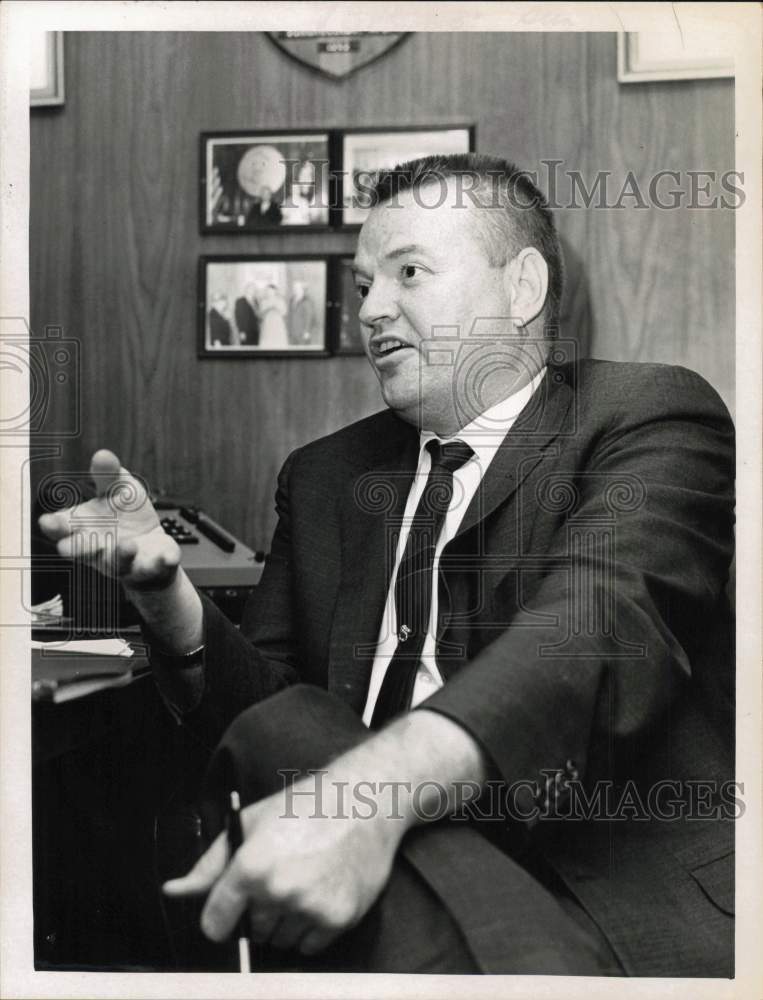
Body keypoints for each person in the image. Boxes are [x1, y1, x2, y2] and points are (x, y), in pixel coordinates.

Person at [38, 154, 735, 977]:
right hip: (365, 886)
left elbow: (592, 636)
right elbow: (266, 721)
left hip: (583, 897)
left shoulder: (643, 415)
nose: (370, 309)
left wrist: (367, 801)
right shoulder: (326, 475)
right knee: (277, 735)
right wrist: (166, 596)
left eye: (408, 272)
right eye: (363, 284)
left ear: (521, 288)